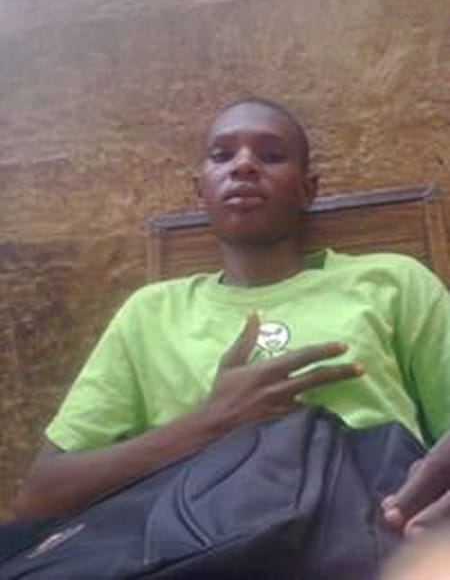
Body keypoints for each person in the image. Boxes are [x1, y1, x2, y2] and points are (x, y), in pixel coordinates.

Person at [13, 98, 450, 541]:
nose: (243, 165)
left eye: (271, 155)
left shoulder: (393, 282)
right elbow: (41, 496)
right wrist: (212, 423)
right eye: (222, 155)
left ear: (307, 190)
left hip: (374, 536)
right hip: (198, 549)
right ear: (200, 190)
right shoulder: (150, 312)